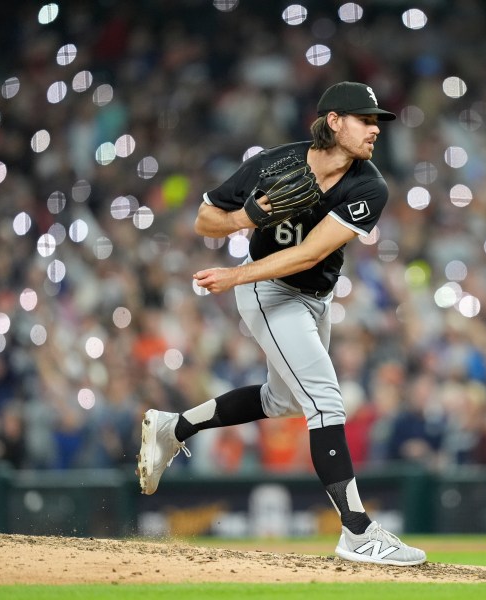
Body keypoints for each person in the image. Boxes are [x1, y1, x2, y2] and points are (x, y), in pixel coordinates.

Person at [136, 81, 426, 566]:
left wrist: (236, 272)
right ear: (334, 121)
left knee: (283, 400)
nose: (376, 129)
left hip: (311, 294)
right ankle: (357, 530)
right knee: (324, 399)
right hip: (268, 292)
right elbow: (205, 218)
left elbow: (311, 252)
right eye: (365, 119)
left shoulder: (370, 185)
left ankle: (174, 428)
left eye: (378, 121)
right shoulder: (274, 164)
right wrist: (241, 220)